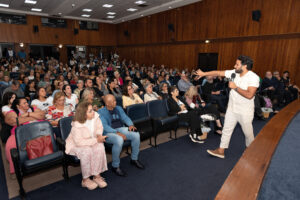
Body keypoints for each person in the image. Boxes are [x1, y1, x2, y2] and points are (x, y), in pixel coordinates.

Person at [195, 55, 259, 159]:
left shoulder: (253, 77)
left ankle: (250, 150)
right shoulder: (234, 73)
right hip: (232, 108)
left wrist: (235, 88)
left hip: (245, 111)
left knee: (248, 133)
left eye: (237, 64)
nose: (234, 66)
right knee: (226, 130)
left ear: (245, 66)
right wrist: (203, 74)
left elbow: (249, 95)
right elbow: (218, 72)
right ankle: (221, 150)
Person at [98, 94, 144, 177]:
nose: (116, 102)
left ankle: (134, 159)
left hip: (120, 128)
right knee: (119, 140)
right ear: (107, 104)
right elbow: (105, 127)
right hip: (108, 132)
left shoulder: (118, 108)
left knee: (136, 134)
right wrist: (117, 133)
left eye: (115, 100)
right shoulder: (101, 112)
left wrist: (130, 125)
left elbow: (125, 118)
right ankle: (115, 166)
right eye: (113, 101)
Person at [65, 102, 108, 190]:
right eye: (90, 111)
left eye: (92, 109)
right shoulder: (76, 125)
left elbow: (100, 127)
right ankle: (85, 179)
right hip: (75, 145)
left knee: (99, 146)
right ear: (83, 114)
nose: (93, 112)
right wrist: (96, 140)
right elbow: (79, 142)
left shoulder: (95, 116)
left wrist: (99, 135)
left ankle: (96, 175)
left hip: (91, 141)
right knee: (86, 151)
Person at [5, 97, 45, 174]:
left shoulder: (32, 109)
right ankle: (16, 170)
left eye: (27, 102)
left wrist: (28, 114)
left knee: (51, 135)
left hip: (37, 130)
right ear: (17, 106)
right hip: (20, 133)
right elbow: (14, 121)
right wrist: (31, 117)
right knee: (10, 146)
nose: (27, 104)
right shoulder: (13, 112)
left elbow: (42, 115)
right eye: (24, 103)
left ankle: (44, 161)